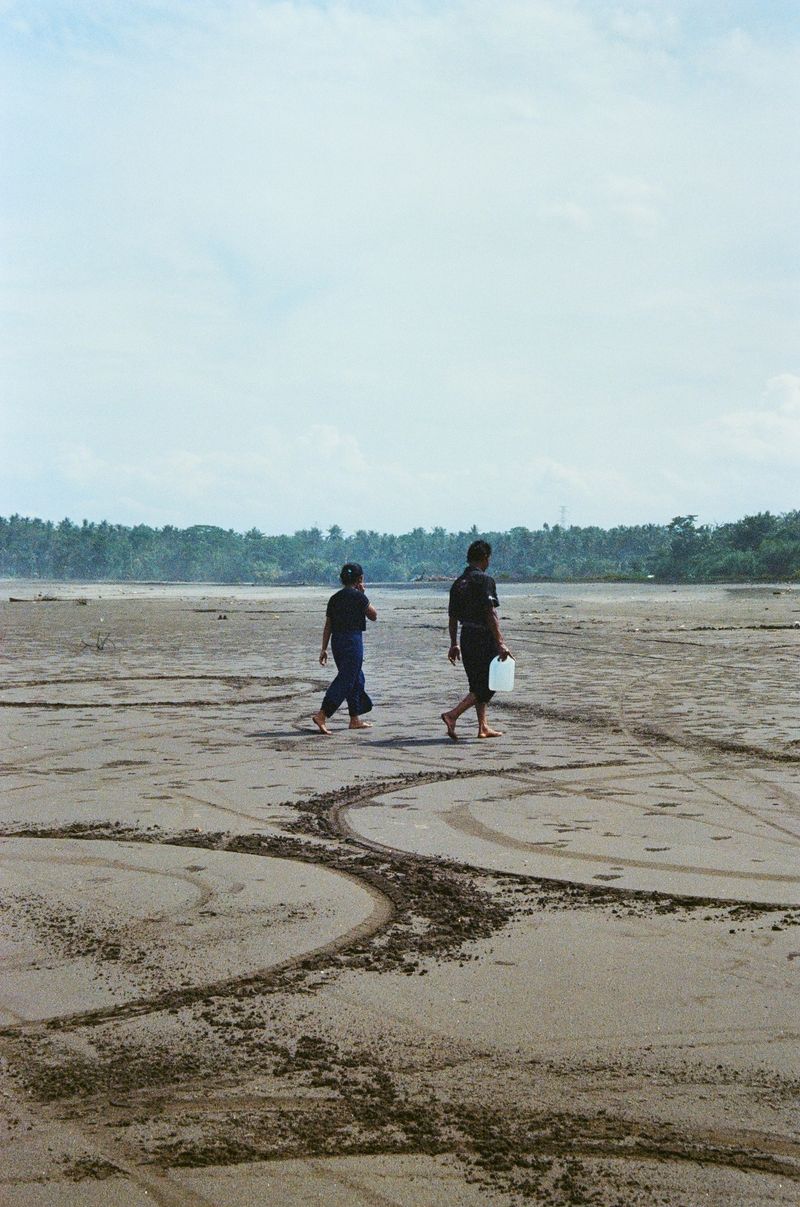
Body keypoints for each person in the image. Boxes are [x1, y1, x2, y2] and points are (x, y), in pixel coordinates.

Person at [441, 539, 511, 740]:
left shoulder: (458, 583)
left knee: (476, 682)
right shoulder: (484, 581)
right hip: (482, 636)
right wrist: (500, 642)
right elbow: (491, 614)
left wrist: (454, 643)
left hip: (466, 636)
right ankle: (452, 715)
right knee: (489, 683)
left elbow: (452, 617)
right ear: (485, 558)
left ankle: (483, 726)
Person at [312, 563, 377, 735]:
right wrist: (363, 594)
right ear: (360, 579)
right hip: (352, 641)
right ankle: (322, 714)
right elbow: (373, 616)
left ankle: (354, 719)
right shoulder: (359, 597)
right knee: (346, 679)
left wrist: (324, 648)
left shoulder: (334, 598)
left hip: (337, 642)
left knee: (356, 678)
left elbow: (328, 626)